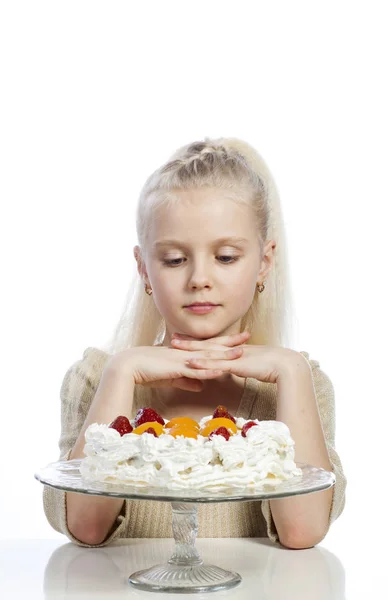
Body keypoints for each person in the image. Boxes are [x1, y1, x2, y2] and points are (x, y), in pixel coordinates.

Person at [43, 137, 346, 549]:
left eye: (225, 257)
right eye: (174, 260)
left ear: (264, 263)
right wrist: (122, 373)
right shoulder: (97, 377)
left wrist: (291, 371)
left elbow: (303, 532)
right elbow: (86, 527)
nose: (199, 278)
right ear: (144, 270)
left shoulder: (299, 384)